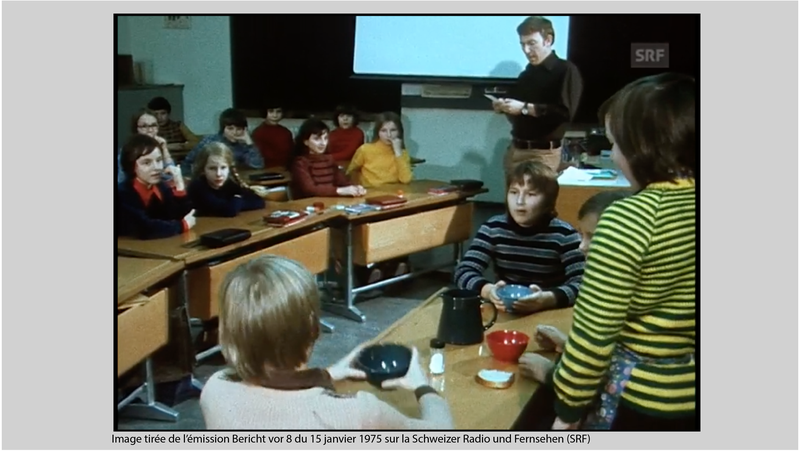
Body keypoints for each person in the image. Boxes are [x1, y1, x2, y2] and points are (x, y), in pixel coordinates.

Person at [520, 73, 696, 431]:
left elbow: (594, 336)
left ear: (644, 146)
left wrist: (566, 411)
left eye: (615, 143)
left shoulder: (627, 218)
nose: (612, 154)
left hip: (635, 399)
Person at [199, 255, 454, 429]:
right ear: (314, 328)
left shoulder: (214, 390)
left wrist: (329, 373)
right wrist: (423, 387)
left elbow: (274, 391)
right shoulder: (356, 413)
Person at [454, 160, 585, 313]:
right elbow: (463, 271)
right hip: (505, 310)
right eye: (514, 192)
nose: (519, 201)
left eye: (531, 194)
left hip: (548, 312)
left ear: (548, 201)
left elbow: (583, 284)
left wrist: (548, 299)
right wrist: (488, 290)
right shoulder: (493, 228)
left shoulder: (565, 235)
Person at [492, 16, 583, 174]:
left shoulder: (565, 70)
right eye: (523, 44)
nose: (526, 50)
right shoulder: (526, 74)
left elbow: (565, 113)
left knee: (536, 198)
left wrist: (525, 108)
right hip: (516, 150)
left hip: (542, 154)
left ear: (548, 40)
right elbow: (517, 115)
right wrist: (503, 106)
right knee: (512, 198)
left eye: (531, 43)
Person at [118, 134, 196, 240]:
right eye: (147, 163)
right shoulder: (123, 193)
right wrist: (181, 226)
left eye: (159, 160)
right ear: (131, 166)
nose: (157, 167)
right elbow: (145, 228)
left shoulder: (161, 187)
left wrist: (179, 185)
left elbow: (184, 216)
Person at [289, 118, 366, 199]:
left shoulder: (329, 159)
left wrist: (355, 188)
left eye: (325, 138)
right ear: (306, 141)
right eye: (317, 139)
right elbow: (310, 189)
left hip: (330, 202)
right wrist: (340, 190)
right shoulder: (300, 163)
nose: (323, 143)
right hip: (309, 205)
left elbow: (342, 182)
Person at [188, 141, 266, 217]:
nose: (218, 174)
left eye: (223, 168)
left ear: (229, 168)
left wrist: (235, 202)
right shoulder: (198, 186)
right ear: (203, 169)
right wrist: (237, 199)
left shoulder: (229, 183)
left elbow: (259, 202)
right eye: (212, 168)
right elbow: (229, 211)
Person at [181, 108, 264, 175]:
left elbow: (258, 165)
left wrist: (249, 144)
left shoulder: (244, 144)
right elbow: (187, 162)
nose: (234, 132)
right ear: (223, 129)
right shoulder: (210, 141)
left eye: (239, 129)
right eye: (230, 129)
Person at [346, 111, 413, 188]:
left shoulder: (402, 153)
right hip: (370, 192)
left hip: (393, 192)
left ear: (399, 132)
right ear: (378, 132)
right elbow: (351, 172)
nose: (389, 135)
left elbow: (406, 179)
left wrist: (398, 152)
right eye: (383, 131)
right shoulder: (365, 150)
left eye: (393, 130)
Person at [117, 108, 177, 185]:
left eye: (154, 125)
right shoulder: (127, 150)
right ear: (136, 129)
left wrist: (164, 150)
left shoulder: (159, 147)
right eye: (144, 126)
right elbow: (121, 181)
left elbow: (171, 177)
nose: (150, 130)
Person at [251, 101, 294, 168]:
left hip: (286, 169)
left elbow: (292, 153)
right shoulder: (259, 132)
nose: (275, 115)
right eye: (271, 111)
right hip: (266, 170)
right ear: (265, 112)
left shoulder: (286, 132)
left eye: (278, 112)